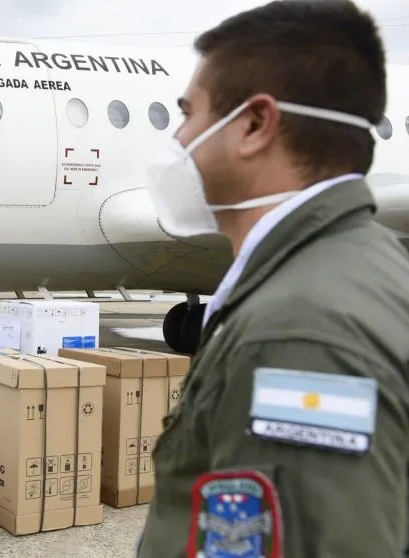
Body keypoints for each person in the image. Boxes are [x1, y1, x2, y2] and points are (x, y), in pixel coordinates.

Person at [136, 1, 409, 557]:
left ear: (255, 126)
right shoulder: (353, 265)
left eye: (188, 115)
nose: (179, 138)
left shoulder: (298, 333)